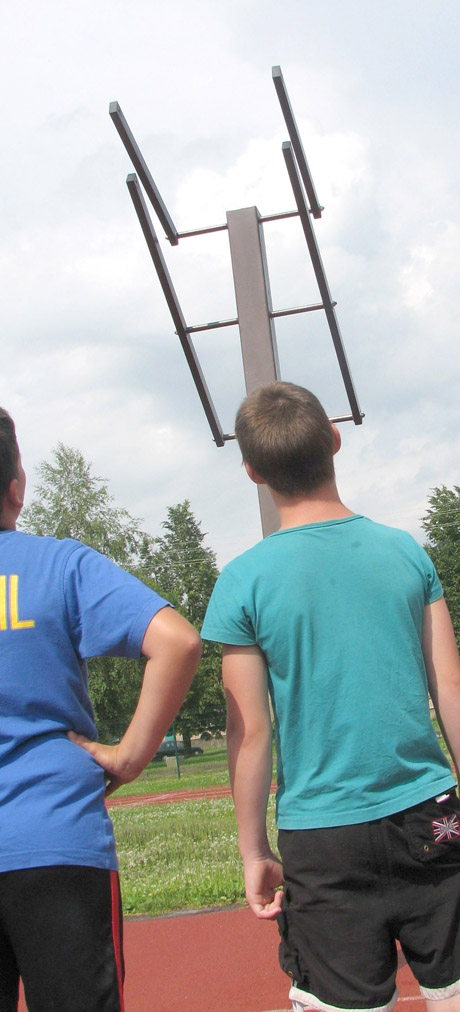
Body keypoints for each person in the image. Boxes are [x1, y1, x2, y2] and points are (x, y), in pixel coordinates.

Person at [201, 380, 460, 1012]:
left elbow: (249, 731)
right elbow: (450, 687)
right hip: (430, 814)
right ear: (335, 442)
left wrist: (254, 850)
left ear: (252, 471)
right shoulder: (405, 552)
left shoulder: (242, 581)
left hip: (322, 838)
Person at [0, 407, 202, 1012]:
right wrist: (130, 757)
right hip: (55, 837)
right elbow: (177, 641)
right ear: (17, 486)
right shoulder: (59, 563)